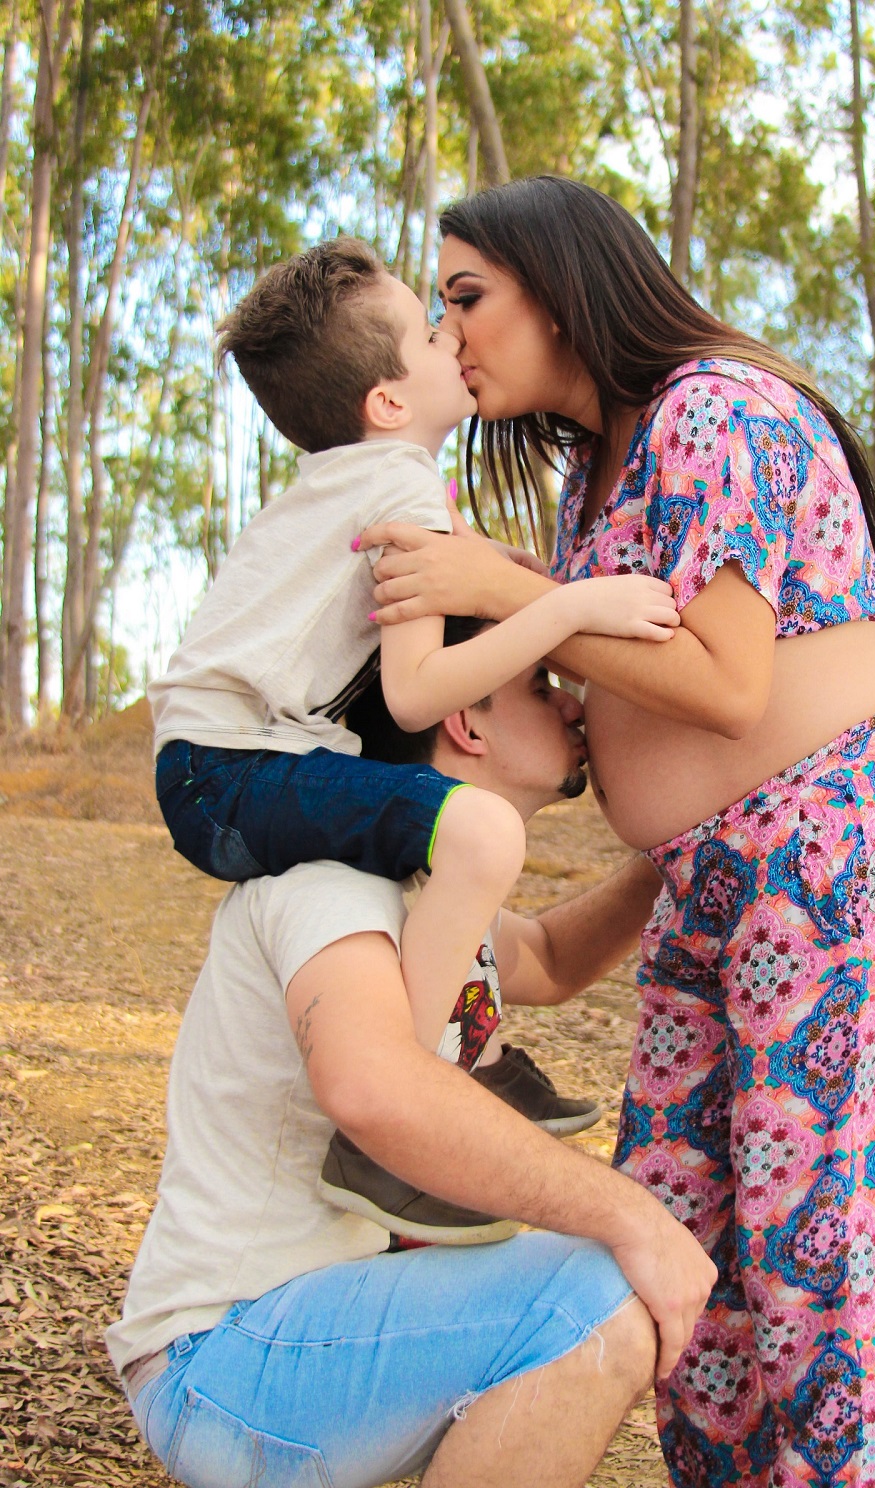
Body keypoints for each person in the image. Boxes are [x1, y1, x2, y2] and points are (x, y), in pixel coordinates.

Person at [356, 176, 875, 1487]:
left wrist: (509, 587)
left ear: (561, 287)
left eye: (468, 297)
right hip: (706, 890)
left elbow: (727, 682)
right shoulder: (599, 472)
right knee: (687, 1267)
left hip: (829, 867)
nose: (452, 334)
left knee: (820, 1258)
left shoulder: (713, 409)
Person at [147, 237, 678, 1239]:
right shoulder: (397, 482)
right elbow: (416, 691)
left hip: (221, 767)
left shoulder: (358, 481)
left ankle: (458, 1070)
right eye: (436, 332)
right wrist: (568, 610)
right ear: (389, 403)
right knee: (477, 835)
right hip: (229, 769)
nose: (457, 341)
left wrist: (514, 578)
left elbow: (556, 959)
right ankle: (412, 1109)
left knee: (453, 851)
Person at [107, 650, 718, 1488]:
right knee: (594, 1300)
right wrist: (633, 1219)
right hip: (223, 1355)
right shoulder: (334, 882)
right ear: (464, 720)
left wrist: (677, 851)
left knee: (590, 1290)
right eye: (541, 687)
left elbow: (544, 953)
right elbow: (372, 1088)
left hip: (304, 1336)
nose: (575, 708)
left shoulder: (422, 884)